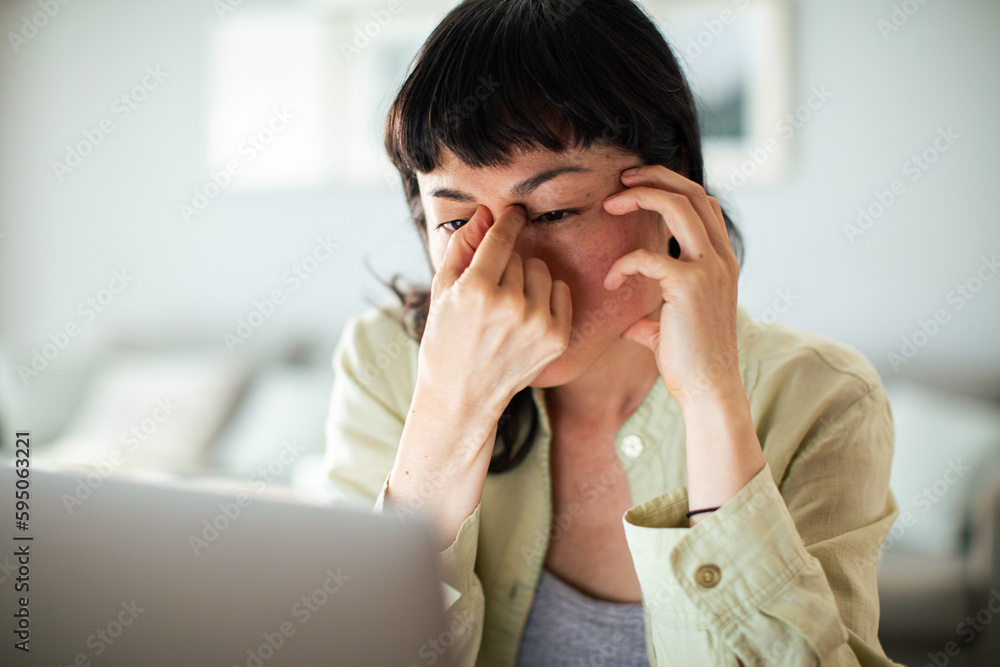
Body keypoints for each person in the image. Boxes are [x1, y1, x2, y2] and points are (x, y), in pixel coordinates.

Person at [324, 0, 901, 664]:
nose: (502, 266)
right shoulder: (385, 363)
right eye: (456, 223)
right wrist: (451, 410)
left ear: (673, 180)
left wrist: (715, 402)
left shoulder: (821, 398)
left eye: (554, 209)